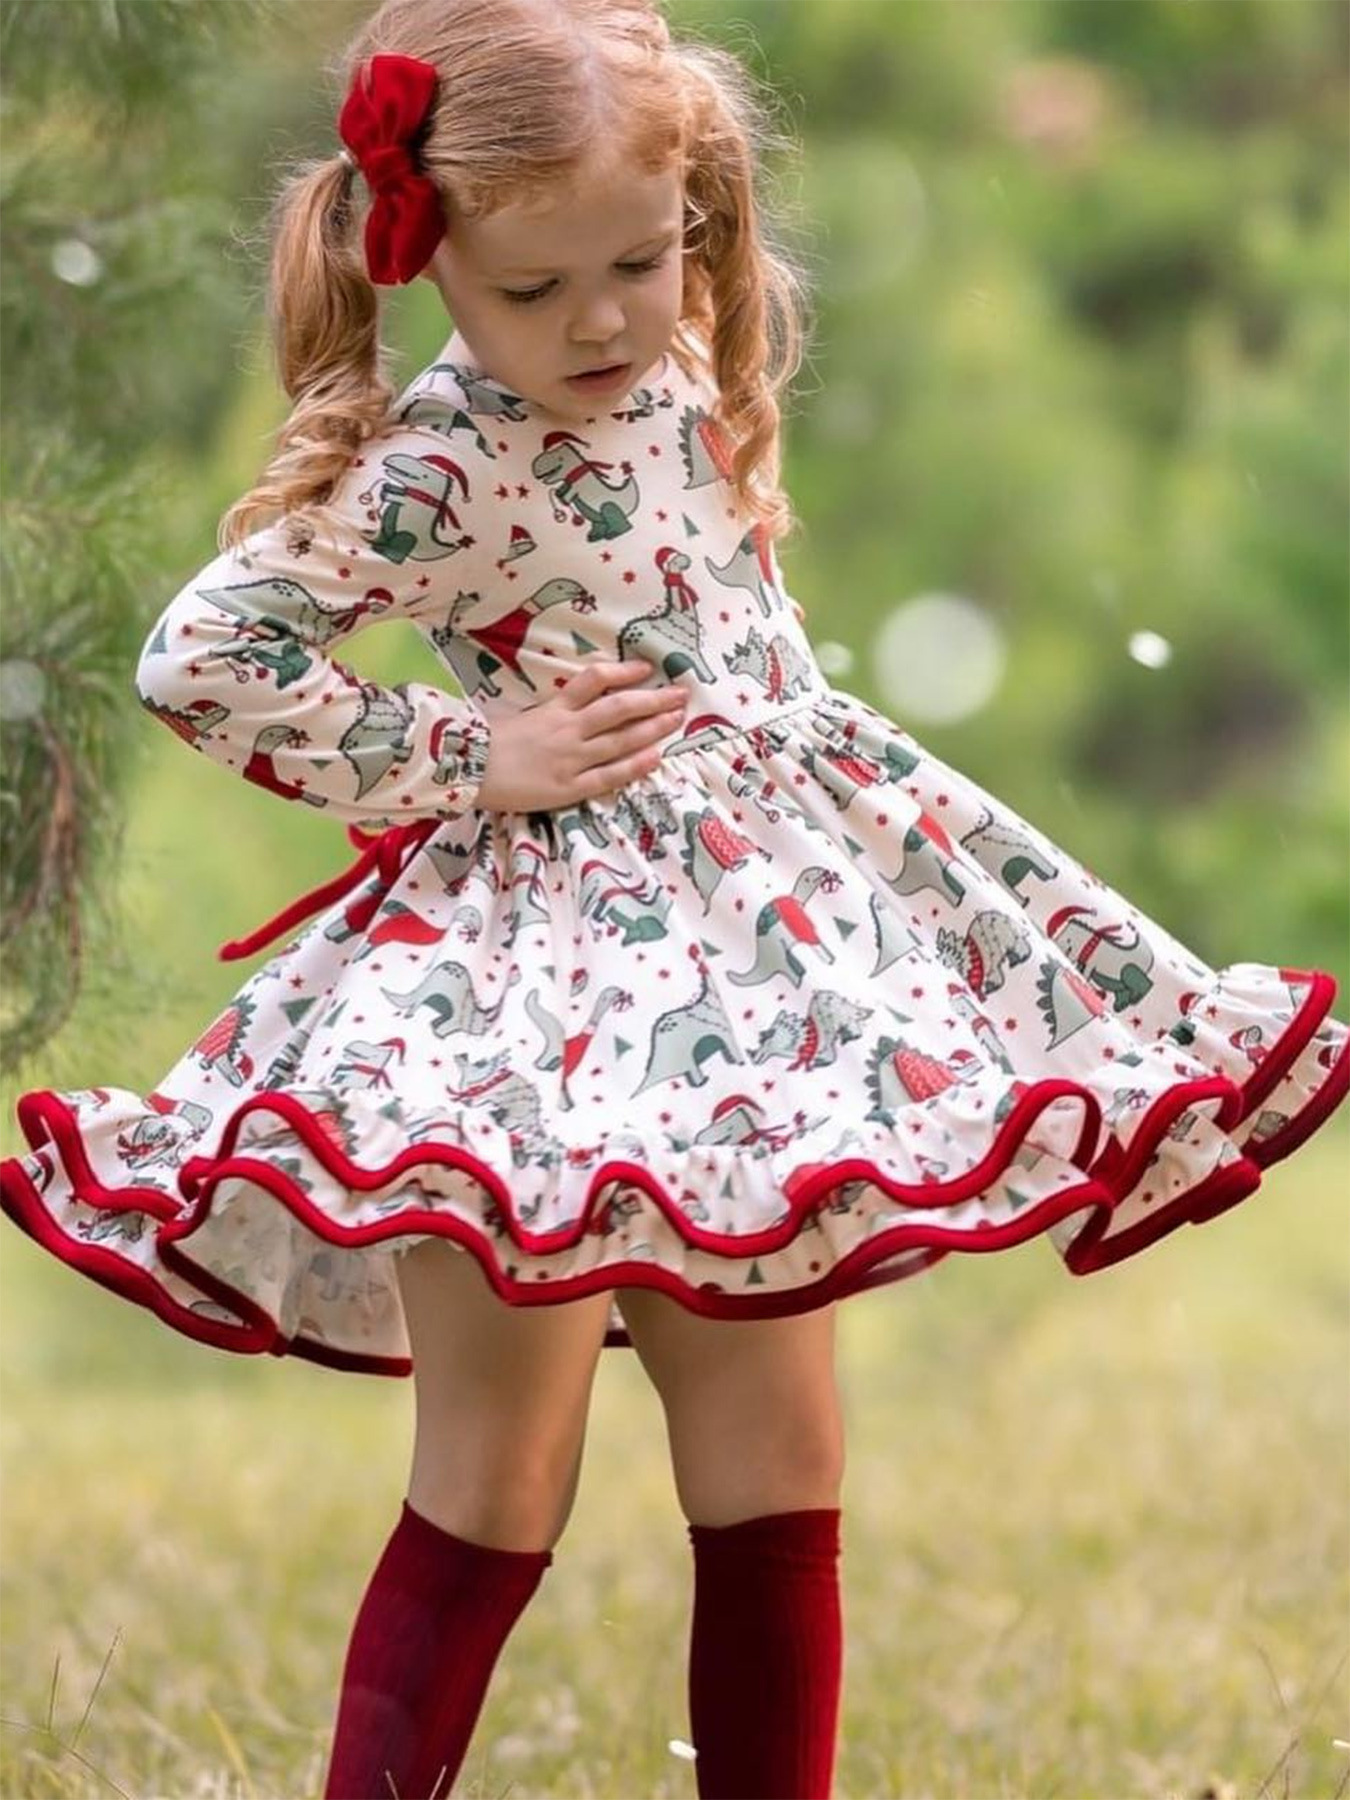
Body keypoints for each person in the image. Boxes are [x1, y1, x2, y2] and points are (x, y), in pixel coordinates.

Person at [2, 3, 1347, 1796]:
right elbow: (203, 656)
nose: (600, 323)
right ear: (428, 261)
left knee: (781, 1459)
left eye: (640, 263)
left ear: (692, 220)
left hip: (759, 988)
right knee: (500, 1471)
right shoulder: (442, 464)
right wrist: (477, 751)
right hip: (535, 1013)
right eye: (533, 288)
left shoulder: (688, 360)